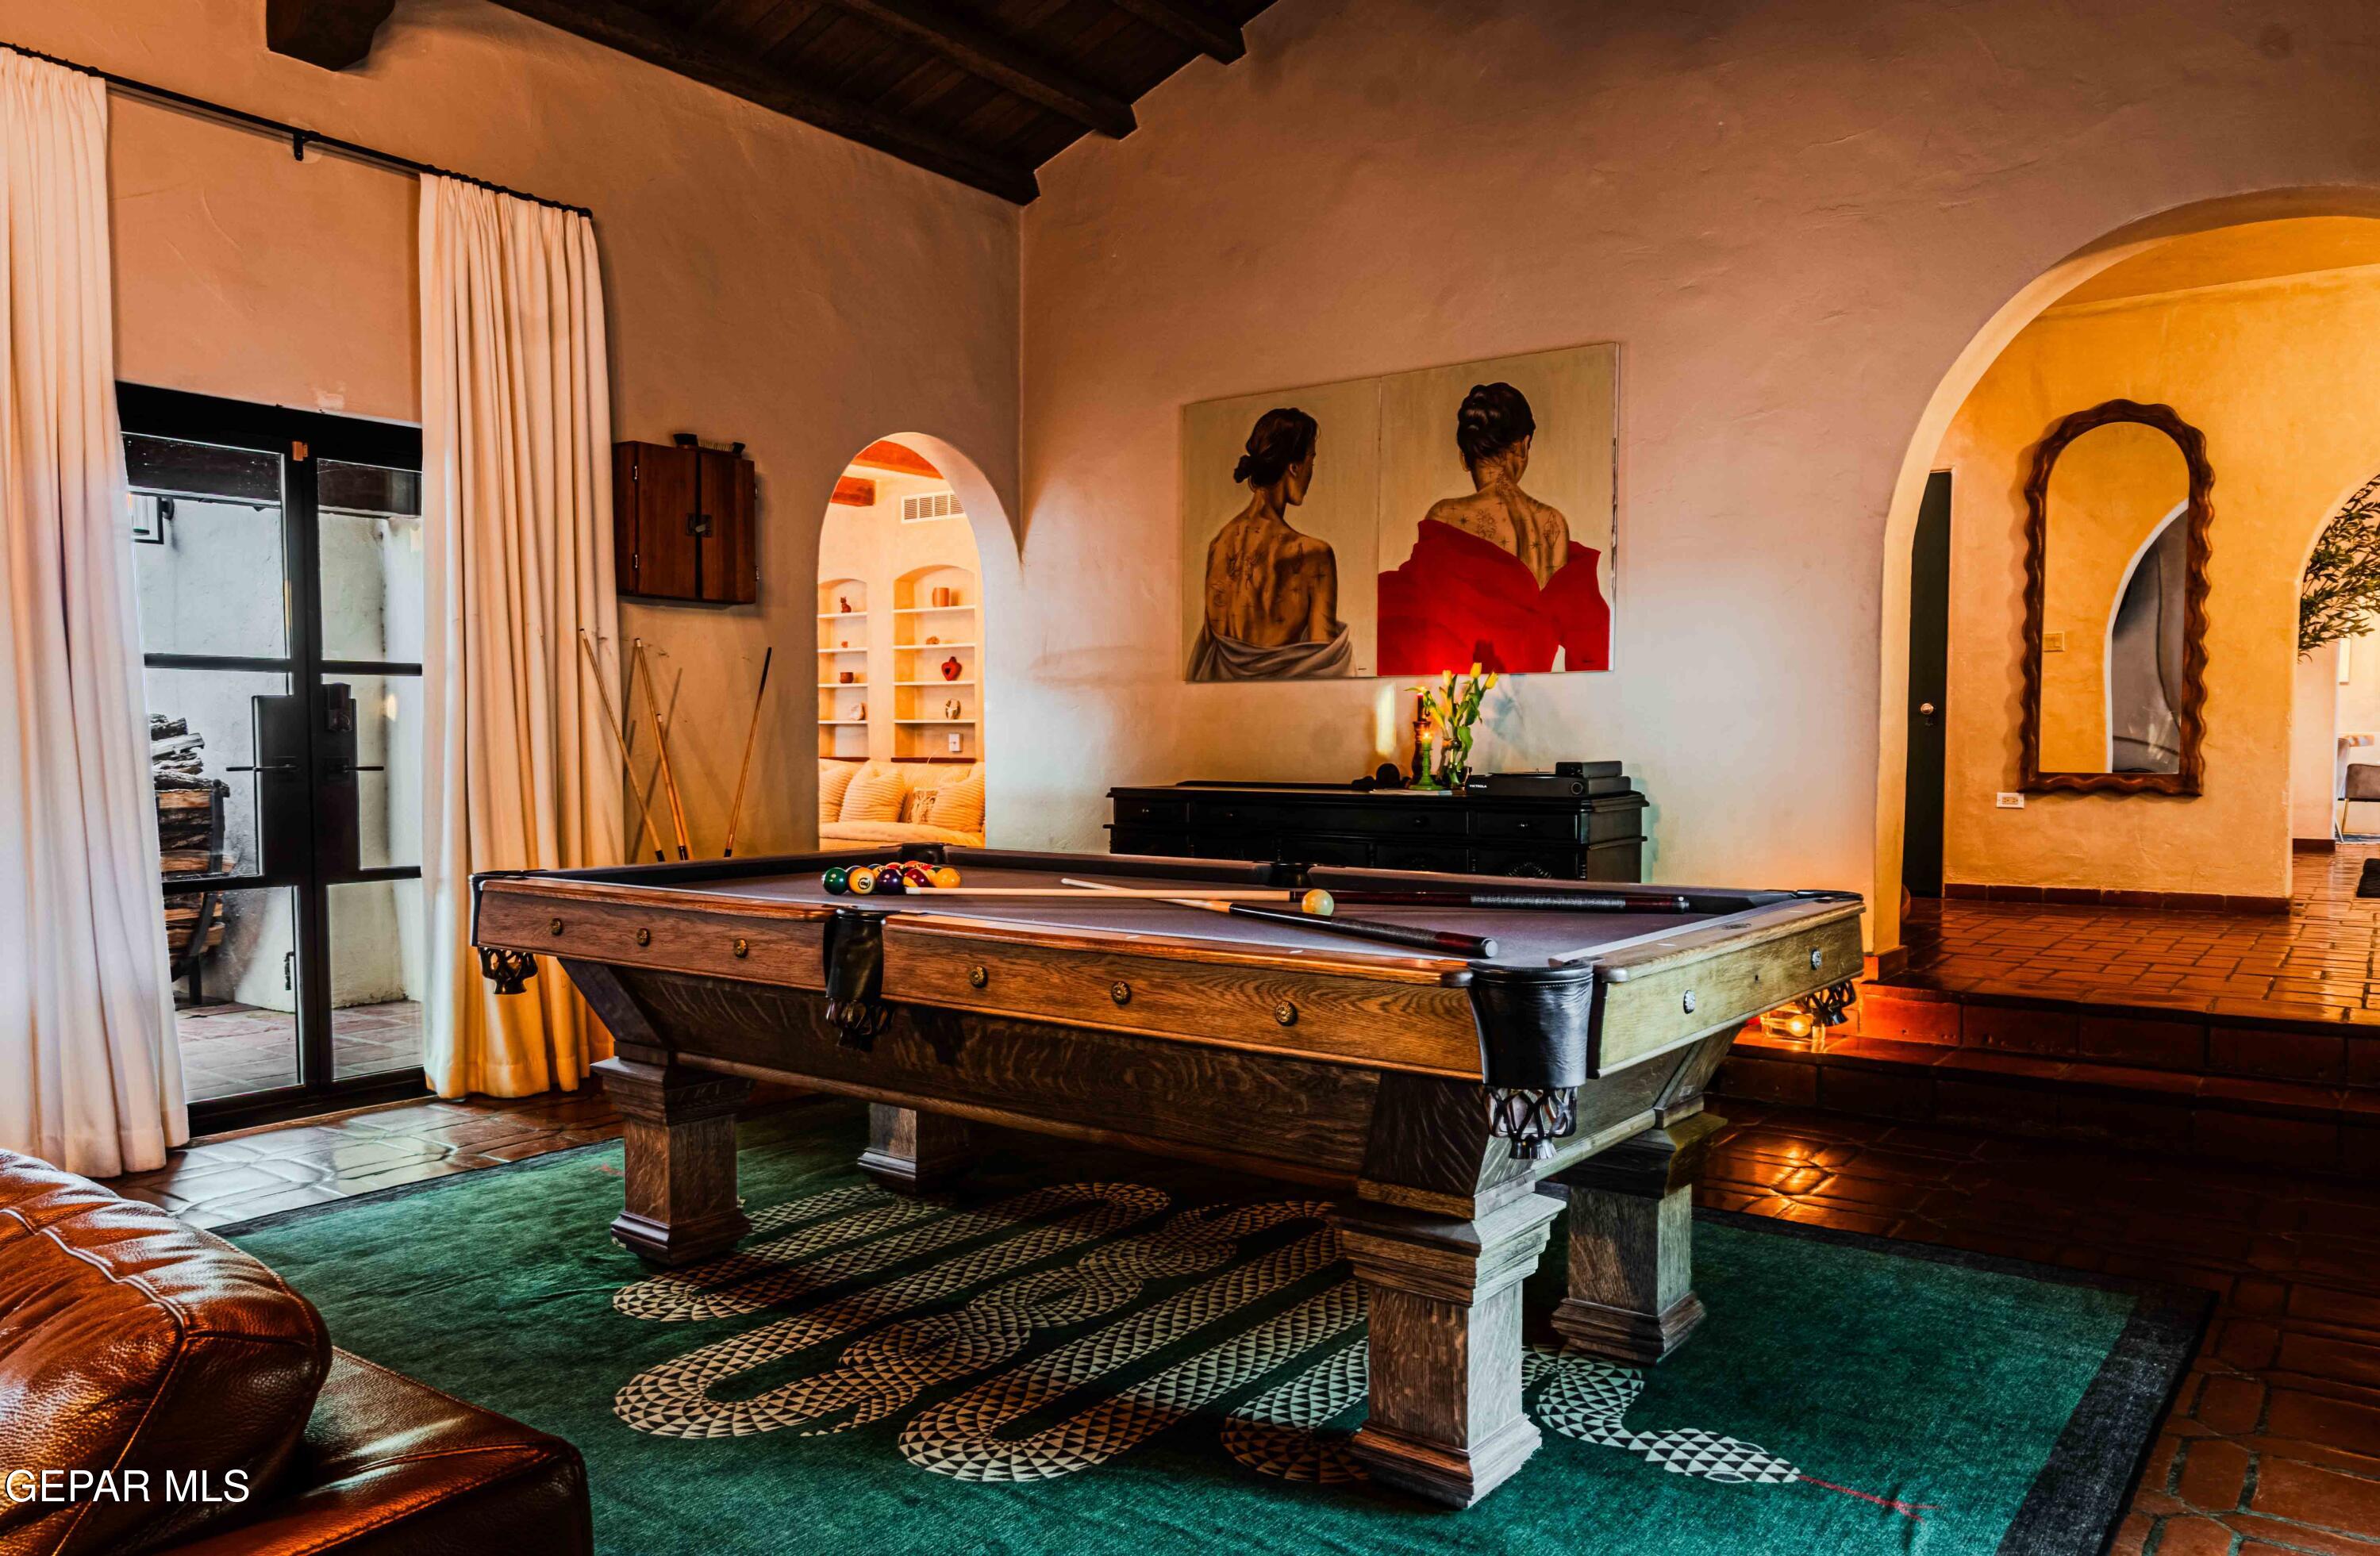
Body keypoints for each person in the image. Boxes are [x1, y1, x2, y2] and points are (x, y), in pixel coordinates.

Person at [1377, 381, 1609, 673]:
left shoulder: (1446, 514)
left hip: (1458, 698)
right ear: (1524, 446)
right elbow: (1589, 638)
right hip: (1525, 703)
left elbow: (1417, 615)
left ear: (1465, 458)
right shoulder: (1554, 525)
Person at [1186, 407, 1351, 680]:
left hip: (1219, 707)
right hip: (1284, 709)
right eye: (1312, 460)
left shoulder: (1219, 545)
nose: (1311, 473)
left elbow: (1207, 654)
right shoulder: (1313, 555)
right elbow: (1326, 673)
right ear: (1294, 467)